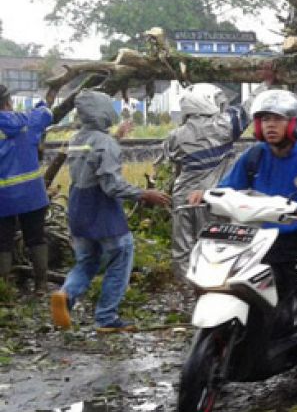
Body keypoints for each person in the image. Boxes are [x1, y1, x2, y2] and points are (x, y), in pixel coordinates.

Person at [192, 89, 297, 394]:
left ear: (293, 124)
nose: (270, 126)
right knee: (226, 283)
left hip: (295, 242)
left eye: (277, 120)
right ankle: (225, 346)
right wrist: (207, 195)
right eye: (264, 119)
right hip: (253, 239)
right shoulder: (253, 156)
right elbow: (229, 187)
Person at [50, 91, 171, 332]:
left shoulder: (77, 139)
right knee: (122, 253)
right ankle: (106, 317)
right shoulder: (105, 143)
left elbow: (94, 156)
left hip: (77, 205)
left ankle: (65, 294)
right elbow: (111, 184)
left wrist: (116, 137)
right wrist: (145, 194)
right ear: (103, 112)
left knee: (87, 260)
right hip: (100, 207)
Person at [164, 76, 269, 277]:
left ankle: (190, 292)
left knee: (183, 249)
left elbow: (175, 164)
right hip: (211, 196)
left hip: (182, 197)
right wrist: (266, 83)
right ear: (206, 101)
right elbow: (248, 108)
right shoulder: (223, 125)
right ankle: (215, 286)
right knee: (215, 245)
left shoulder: (174, 136)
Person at [0, 85, 52, 292]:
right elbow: (46, 113)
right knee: (36, 237)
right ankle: (41, 285)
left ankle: (4, 289)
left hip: (3, 198)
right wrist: (42, 103)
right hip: (32, 195)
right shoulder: (27, 120)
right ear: (8, 102)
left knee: (2, 242)